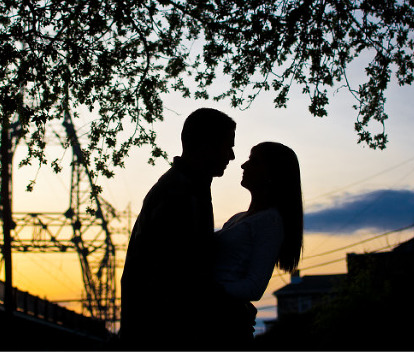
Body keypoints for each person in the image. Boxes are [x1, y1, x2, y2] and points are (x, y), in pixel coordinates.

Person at [119, 107, 237, 351]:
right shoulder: (180, 194)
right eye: (228, 145)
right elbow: (178, 276)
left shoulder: (184, 187)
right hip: (164, 337)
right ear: (206, 146)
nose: (232, 156)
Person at [213, 143, 303, 351]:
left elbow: (254, 286)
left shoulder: (270, 222)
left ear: (271, 173)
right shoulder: (238, 218)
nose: (244, 165)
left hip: (227, 330)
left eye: (254, 161)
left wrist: (209, 291)